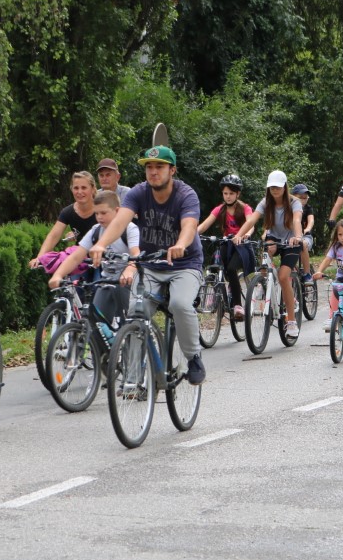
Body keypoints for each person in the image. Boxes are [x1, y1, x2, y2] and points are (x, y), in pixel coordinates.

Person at [88, 145, 205, 386]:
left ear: (172, 170)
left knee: (180, 305)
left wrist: (181, 244)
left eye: (160, 166)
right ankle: (132, 379)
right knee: (135, 315)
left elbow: (189, 226)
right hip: (150, 265)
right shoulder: (138, 194)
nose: (153, 172)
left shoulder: (186, 194)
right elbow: (119, 222)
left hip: (184, 264)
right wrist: (101, 244)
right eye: (149, 167)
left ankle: (193, 357)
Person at [49, 190, 141, 325]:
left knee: (131, 323)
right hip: (107, 280)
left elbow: (136, 254)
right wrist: (58, 275)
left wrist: (129, 270)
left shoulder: (129, 229)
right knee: (96, 324)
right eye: (96, 213)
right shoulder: (96, 230)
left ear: (117, 211)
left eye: (103, 213)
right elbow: (76, 257)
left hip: (128, 282)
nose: (99, 217)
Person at [233, 170, 304, 339]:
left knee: (283, 275)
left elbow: (296, 220)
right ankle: (262, 284)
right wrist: (239, 235)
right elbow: (251, 220)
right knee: (267, 251)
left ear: (285, 187)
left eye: (278, 187)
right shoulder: (265, 203)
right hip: (274, 238)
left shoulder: (295, 202)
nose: (274, 190)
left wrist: (298, 237)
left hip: (291, 240)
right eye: (271, 187)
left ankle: (292, 322)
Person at [196, 174, 255, 322]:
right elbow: (204, 225)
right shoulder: (220, 209)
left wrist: (245, 234)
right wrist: (190, 234)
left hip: (241, 246)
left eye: (231, 194)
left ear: (238, 194)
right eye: (225, 193)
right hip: (226, 244)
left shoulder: (245, 208)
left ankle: (237, 305)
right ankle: (215, 295)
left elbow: (251, 224)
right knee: (214, 267)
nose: (228, 197)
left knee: (231, 269)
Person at [28, 171, 98, 269]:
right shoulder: (68, 212)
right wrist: (40, 258)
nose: (79, 192)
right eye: (76, 188)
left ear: (93, 189)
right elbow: (53, 236)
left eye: (84, 188)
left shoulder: (101, 209)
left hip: (103, 259)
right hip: (80, 260)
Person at [292, 183, 317, 278]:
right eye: (300, 197)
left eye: (305, 198)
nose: (303, 200)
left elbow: (311, 220)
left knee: (303, 244)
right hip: (290, 236)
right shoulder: (289, 208)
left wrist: (307, 229)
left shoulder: (308, 208)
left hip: (305, 236)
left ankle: (307, 274)